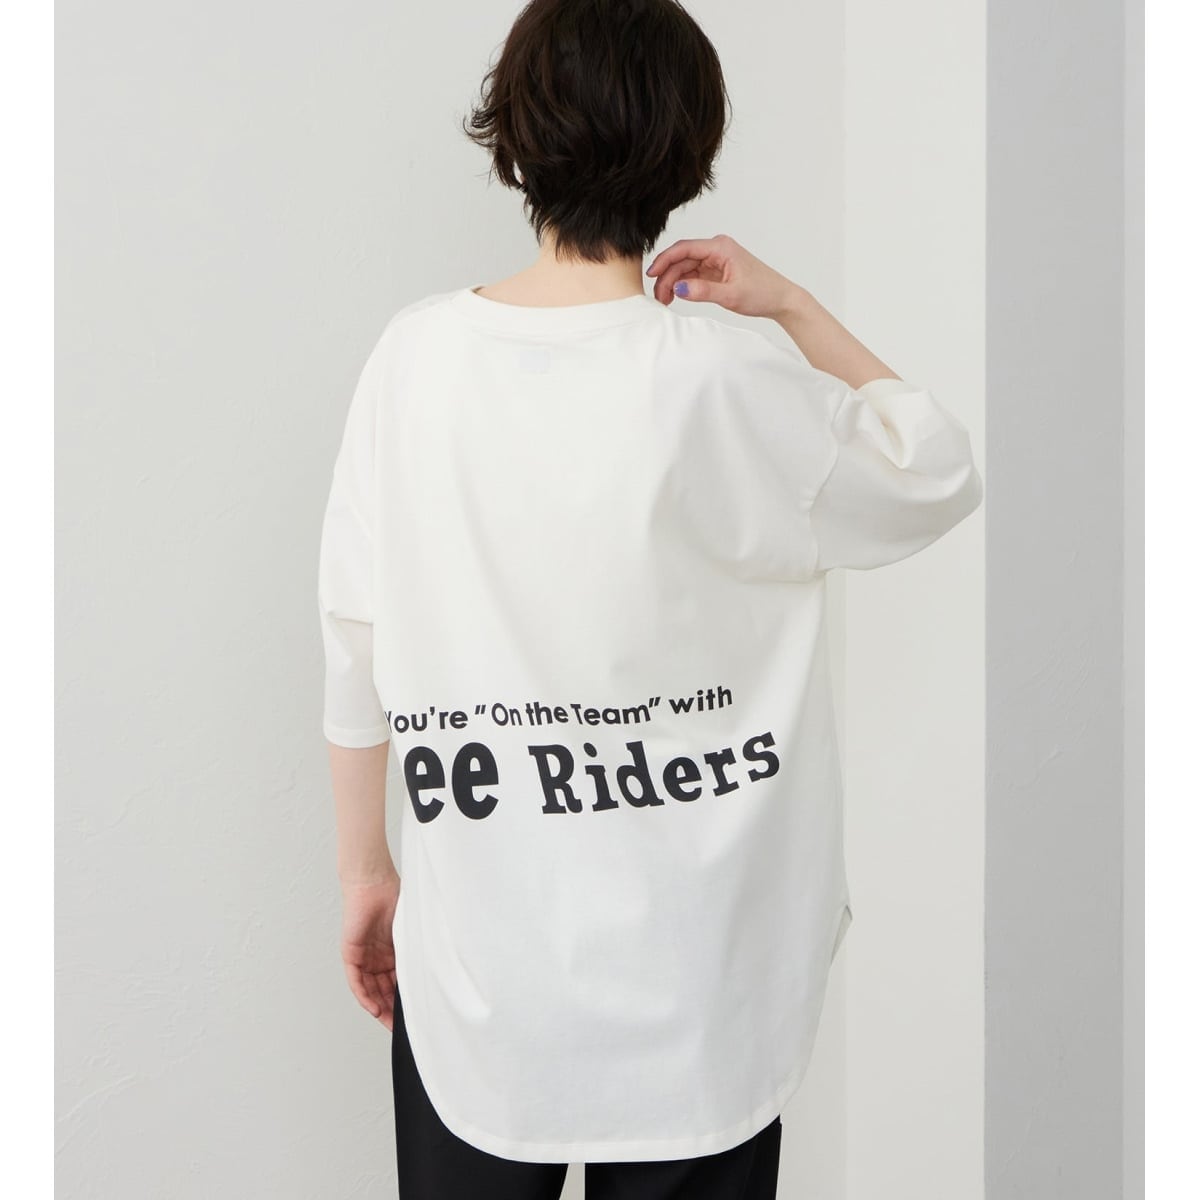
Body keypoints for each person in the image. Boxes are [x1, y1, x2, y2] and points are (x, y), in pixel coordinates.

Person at [317, 1, 984, 1196]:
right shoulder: (726, 377)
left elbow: (355, 644)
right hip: (698, 988)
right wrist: (791, 306)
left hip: (479, 971)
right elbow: (934, 469)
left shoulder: (414, 362)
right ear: (686, 149)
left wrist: (367, 874)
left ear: (518, 134)